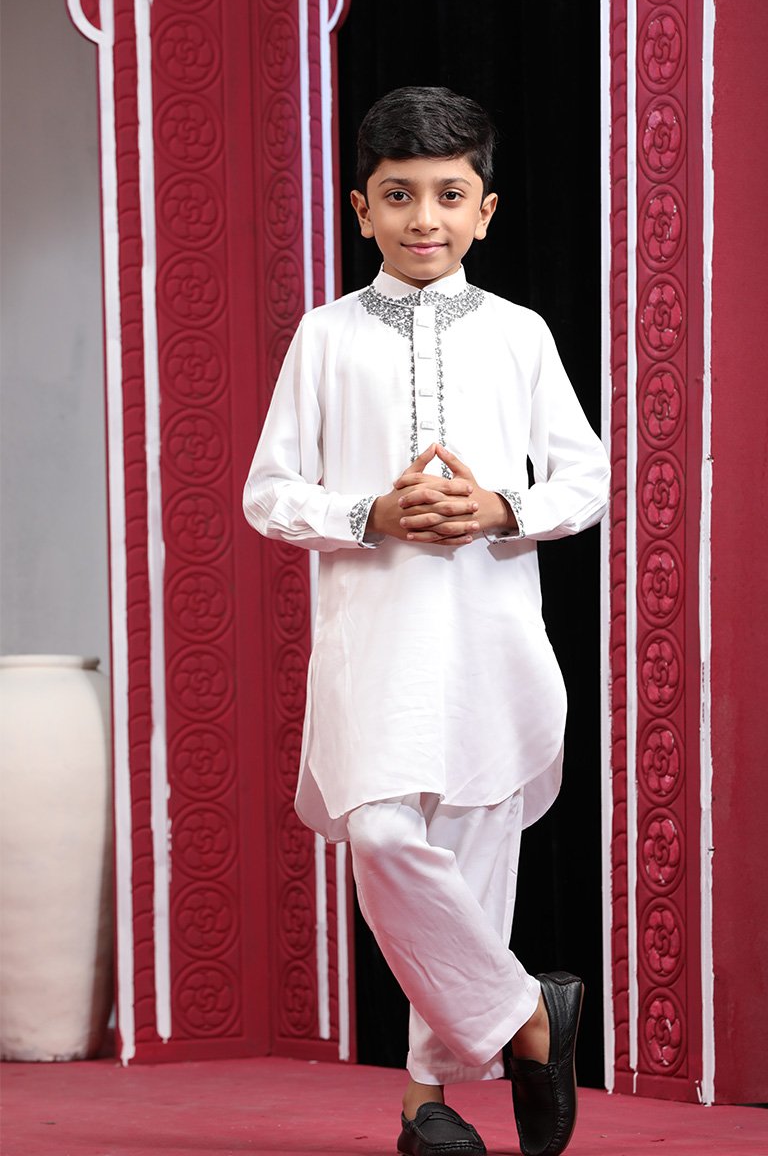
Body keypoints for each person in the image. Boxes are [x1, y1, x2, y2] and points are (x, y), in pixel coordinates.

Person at [244, 86, 610, 1156]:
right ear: (361, 209)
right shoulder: (325, 336)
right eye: (399, 195)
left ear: (485, 211)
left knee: (472, 873)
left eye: (450, 195)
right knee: (385, 838)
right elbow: (269, 493)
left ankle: (425, 1109)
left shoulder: (519, 334)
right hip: (376, 644)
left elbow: (586, 477)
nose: (424, 218)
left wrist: (501, 508)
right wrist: (370, 512)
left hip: (493, 641)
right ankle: (531, 1017)